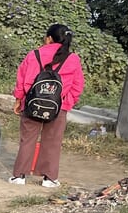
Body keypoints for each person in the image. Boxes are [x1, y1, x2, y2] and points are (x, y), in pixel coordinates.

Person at [9, 24, 84, 187]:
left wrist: (18, 100)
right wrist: (67, 102)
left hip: (31, 104)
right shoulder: (73, 59)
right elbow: (78, 85)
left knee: (27, 139)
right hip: (59, 106)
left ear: (49, 38)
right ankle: (49, 178)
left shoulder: (34, 54)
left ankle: (19, 176)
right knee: (53, 141)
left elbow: (21, 79)